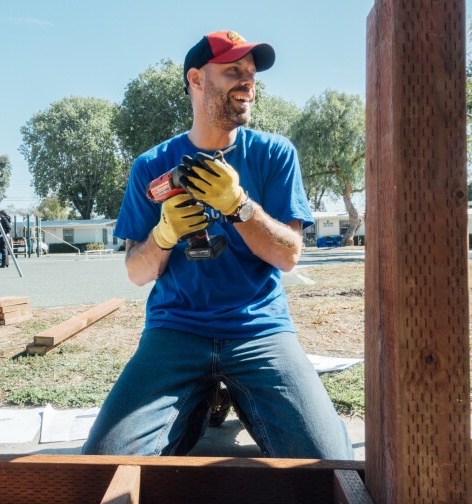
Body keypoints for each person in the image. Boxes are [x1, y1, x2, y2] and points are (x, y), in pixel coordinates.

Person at [82, 30, 353, 460]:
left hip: (259, 331)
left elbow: (289, 254)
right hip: (175, 330)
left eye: (251, 74)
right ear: (196, 79)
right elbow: (136, 272)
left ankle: (240, 394)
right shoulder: (151, 166)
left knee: (329, 460)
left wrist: (239, 205)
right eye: (233, 71)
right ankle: (199, 401)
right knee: (102, 462)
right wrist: (164, 235)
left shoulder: (275, 154)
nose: (247, 81)